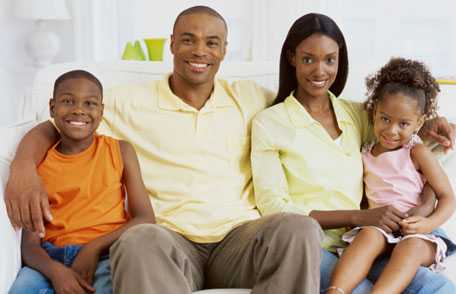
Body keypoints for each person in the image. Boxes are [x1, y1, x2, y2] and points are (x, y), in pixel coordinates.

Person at [4, 6, 323, 294]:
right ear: (172, 44)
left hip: (238, 241)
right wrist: (22, 167)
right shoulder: (128, 101)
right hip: (168, 243)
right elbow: (59, 122)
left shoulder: (253, 97)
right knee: (138, 239)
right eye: (188, 39)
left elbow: (311, 107)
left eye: (212, 42)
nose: (200, 50)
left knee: (299, 229)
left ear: (224, 50)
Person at [250, 13, 456, 293]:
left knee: (438, 288)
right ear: (291, 58)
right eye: (308, 59)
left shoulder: (356, 114)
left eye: (329, 60)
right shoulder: (269, 123)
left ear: (340, 60)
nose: (319, 71)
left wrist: (434, 125)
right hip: (318, 245)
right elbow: (274, 207)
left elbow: (402, 132)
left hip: (375, 240)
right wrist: (358, 217)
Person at [8, 70, 155, 294]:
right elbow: (29, 245)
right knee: (23, 288)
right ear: (52, 107)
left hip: (107, 253)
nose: (79, 110)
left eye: (90, 103)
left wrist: (93, 248)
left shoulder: (121, 151)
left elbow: (146, 218)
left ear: (102, 111)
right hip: (50, 259)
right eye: (68, 101)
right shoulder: (39, 162)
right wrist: (56, 272)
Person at [328, 57, 456, 293]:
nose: (391, 130)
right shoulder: (365, 152)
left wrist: (428, 223)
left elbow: (447, 196)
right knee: (367, 236)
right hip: (382, 228)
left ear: (418, 124)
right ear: (374, 110)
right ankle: (336, 290)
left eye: (403, 124)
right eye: (385, 118)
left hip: (418, 232)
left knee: (410, 248)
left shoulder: (416, 151)